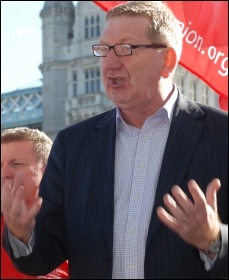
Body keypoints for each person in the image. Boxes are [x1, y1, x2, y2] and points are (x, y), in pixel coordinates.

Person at [1, 2, 228, 279]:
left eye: (125, 48)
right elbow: (43, 259)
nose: (109, 62)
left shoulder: (221, 135)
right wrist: (22, 235)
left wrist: (214, 240)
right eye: (104, 50)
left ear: (167, 60)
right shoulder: (72, 145)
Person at [1, 127, 69, 279]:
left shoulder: (77, 225)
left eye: (16, 164)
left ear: (47, 172)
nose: (4, 173)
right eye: (0, 165)